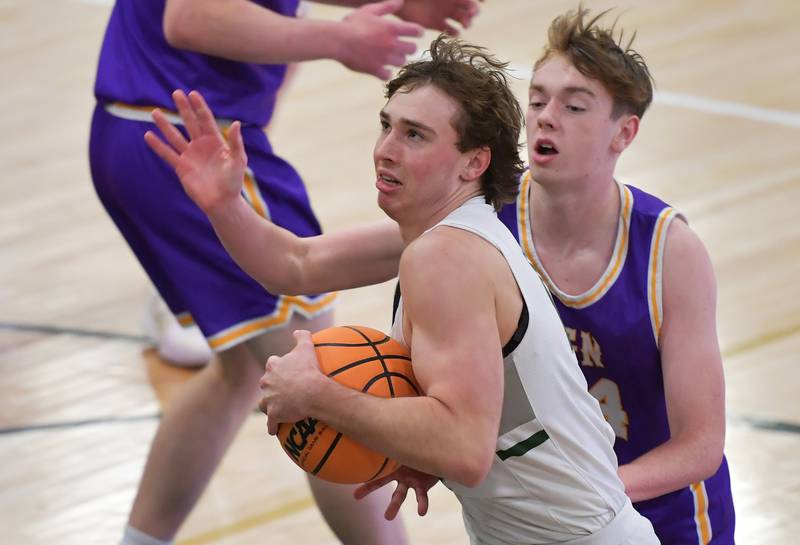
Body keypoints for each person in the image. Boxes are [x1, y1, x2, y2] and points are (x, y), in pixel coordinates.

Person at [146, 35, 660, 544]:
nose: (385, 151)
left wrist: (319, 396)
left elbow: (464, 448)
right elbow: (294, 264)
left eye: (415, 136)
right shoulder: (451, 233)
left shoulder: (447, 258)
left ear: (473, 162)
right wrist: (224, 204)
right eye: (387, 126)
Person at [89, 1, 483, 544]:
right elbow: (189, 15)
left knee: (242, 371)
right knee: (326, 378)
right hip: (187, 138)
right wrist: (338, 39)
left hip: (150, 130)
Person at [494, 7, 736, 544]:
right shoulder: (489, 221)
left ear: (623, 132)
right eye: (536, 99)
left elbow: (700, 445)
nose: (545, 116)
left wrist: (589, 492)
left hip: (663, 516)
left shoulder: (668, 251)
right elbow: (304, 263)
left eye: (574, 105)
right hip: (543, 516)